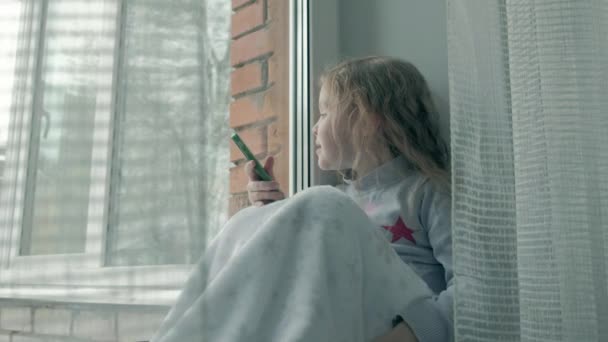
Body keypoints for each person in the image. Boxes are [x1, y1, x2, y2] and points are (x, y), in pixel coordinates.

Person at [151, 56, 452, 342]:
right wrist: (276, 215)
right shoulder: (342, 200)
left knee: (324, 202)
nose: (314, 127)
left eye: (323, 113)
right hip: (343, 313)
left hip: (395, 326)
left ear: (368, 120)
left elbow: (471, 287)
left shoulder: (426, 190)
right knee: (248, 220)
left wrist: (412, 334)